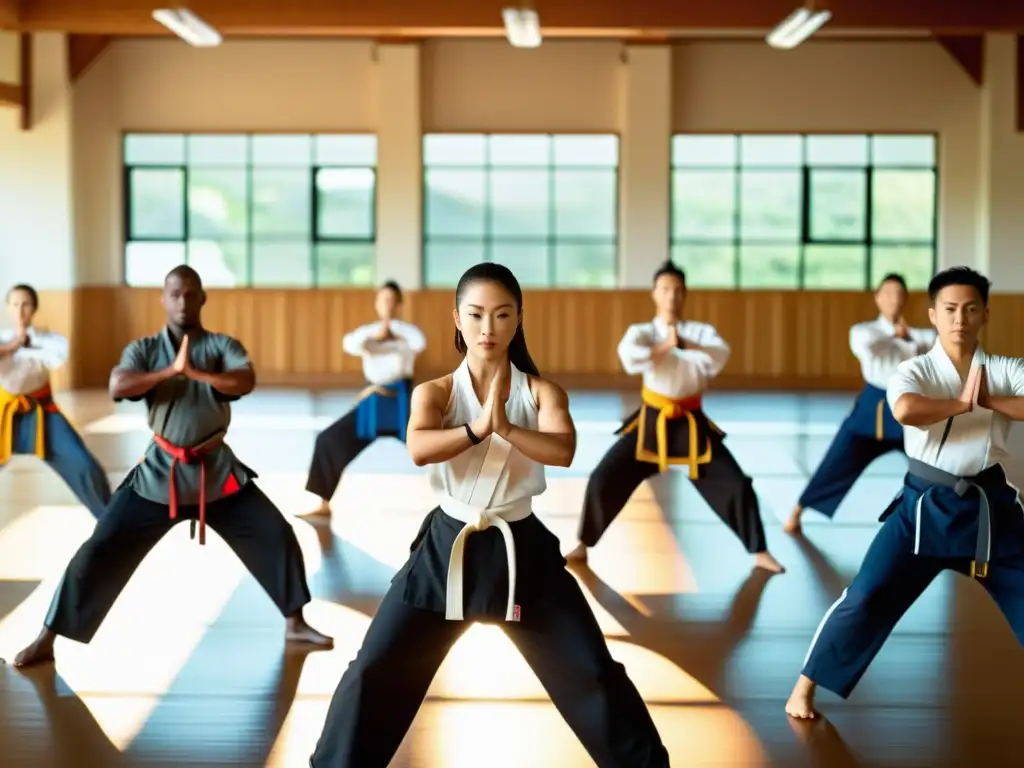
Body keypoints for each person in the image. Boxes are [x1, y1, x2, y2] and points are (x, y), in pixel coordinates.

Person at [309, 262, 669, 767]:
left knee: (592, 672)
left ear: (518, 320)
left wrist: (504, 426)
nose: (488, 328)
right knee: (373, 669)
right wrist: (479, 428)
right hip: (445, 550)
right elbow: (418, 447)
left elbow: (562, 449)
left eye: (501, 315)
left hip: (521, 549)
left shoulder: (543, 392)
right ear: (456, 318)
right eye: (476, 314)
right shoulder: (433, 392)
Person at [9, 265, 331, 668]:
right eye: (174, 294)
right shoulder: (144, 349)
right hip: (158, 476)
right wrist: (170, 373)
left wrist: (197, 373)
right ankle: (48, 636)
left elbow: (244, 379)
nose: (182, 302)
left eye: (190, 294)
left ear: (202, 298)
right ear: (163, 299)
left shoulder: (220, 345)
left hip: (217, 472)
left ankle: (295, 621)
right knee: (100, 548)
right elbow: (118, 385)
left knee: (275, 534)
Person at [787, 266, 1024, 719]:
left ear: (985, 314)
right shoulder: (913, 368)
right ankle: (804, 687)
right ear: (933, 315)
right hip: (923, 507)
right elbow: (906, 409)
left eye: (971, 309)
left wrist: (987, 399)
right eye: (950, 309)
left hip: (990, 510)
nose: (960, 318)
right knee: (866, 594)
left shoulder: (1004, 369)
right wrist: (960, 404)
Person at [566, 260, 784, 574]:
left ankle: (759, 551)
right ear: (655, 293)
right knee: (604, 477)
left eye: (678, 290)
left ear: (685, 294)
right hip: (651, 422)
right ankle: (583, 544)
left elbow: (717, 356)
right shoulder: (641, 332)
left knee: (736, 484)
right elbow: (630, 358)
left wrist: (682, 344)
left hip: (691, 422)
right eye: (665, 289)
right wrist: (667, 345)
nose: (671, 296)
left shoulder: (701, 332)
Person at [785, 273, 936, 534]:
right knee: (837, 459)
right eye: (888, 293)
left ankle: (957, 516)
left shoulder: (919, 335)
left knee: (935, 463)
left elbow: (937, 342)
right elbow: (870, 347)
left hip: (909, 408)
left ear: (906, 300)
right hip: (873, 408)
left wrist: (906, 335)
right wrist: (894, 334)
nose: (893, 299)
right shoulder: (865, 331)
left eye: (899, 294)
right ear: (878, 298)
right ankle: (798, 510)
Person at [303, 280, 426, 517]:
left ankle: (469, 501)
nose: (388, 305)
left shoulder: (408, 332)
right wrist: (378, 335)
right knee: (328, 440)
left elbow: (419, 343)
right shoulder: (368, 331)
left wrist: (393, 333)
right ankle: (323, 504)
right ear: (377, 304)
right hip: (372, 401)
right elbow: (349, 344)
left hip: (401, 401)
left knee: (442, 443)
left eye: (392, 300)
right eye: (383, 300)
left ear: (399, 304)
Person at [0, 284, 111, 518]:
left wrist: (24, 344)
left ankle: (111, 523)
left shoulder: (51, 340)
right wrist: (12, 346)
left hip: (43, 413)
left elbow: (54, 358)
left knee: (83, 464)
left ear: (35, 308)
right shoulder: (3, 340)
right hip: (4, 413)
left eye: (26, 304)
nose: (20, 310)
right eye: (15, 304)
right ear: (8, 308)